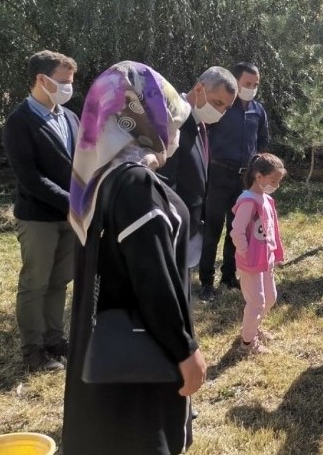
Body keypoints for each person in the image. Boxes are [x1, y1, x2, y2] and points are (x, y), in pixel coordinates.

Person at [64, 61, 206, 454]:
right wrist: (186, 350)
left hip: (105, 343)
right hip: (141, 353)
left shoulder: (99, 180)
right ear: (143, 117)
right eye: (171, 116)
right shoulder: (134, 184)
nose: (176, 129)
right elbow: (152, 276)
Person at [3, 50, 80, 372]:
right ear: (41, 79)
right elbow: (31, 178)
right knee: (35, 283)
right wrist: (71, 203)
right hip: (39, 218)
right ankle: (33, 351)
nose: (67, 88)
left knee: (59, 281)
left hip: (69, 217)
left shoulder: (69, 118)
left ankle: (54, 340)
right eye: (62, 82)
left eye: (70, 82)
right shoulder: (19, 122)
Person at [157, 66, 238, 301]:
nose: (221, 111)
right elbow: (164, 180)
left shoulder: (199, 124)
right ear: (199, 88)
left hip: (188, 229)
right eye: (217, 102)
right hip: (172, 228)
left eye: (226, 107)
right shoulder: (174, 121)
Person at [194, 62, 269, 299]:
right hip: (218, 175)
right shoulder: (223, 107)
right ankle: (206, 281)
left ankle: (228, 276)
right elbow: (204, 136)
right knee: (213, 230)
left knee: (237, 231)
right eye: (247, 84)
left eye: (255, 85)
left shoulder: (258, 110)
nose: (252, 88)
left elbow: (262, 143)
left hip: (245, 179)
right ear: (236, 82)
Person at [231, 153, 286, 355]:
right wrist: (245, 253)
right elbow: (237, 231)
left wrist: (276, 253)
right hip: (251, 262)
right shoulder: (248, 201)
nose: (276, 185)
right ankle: (247, 343)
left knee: (270, 298)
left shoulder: (267, 200)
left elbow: (272, 231)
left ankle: (253, 328)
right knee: (256, 302)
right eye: (273, 180)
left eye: (279, 181)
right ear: (258, 176)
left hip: (266, 260)